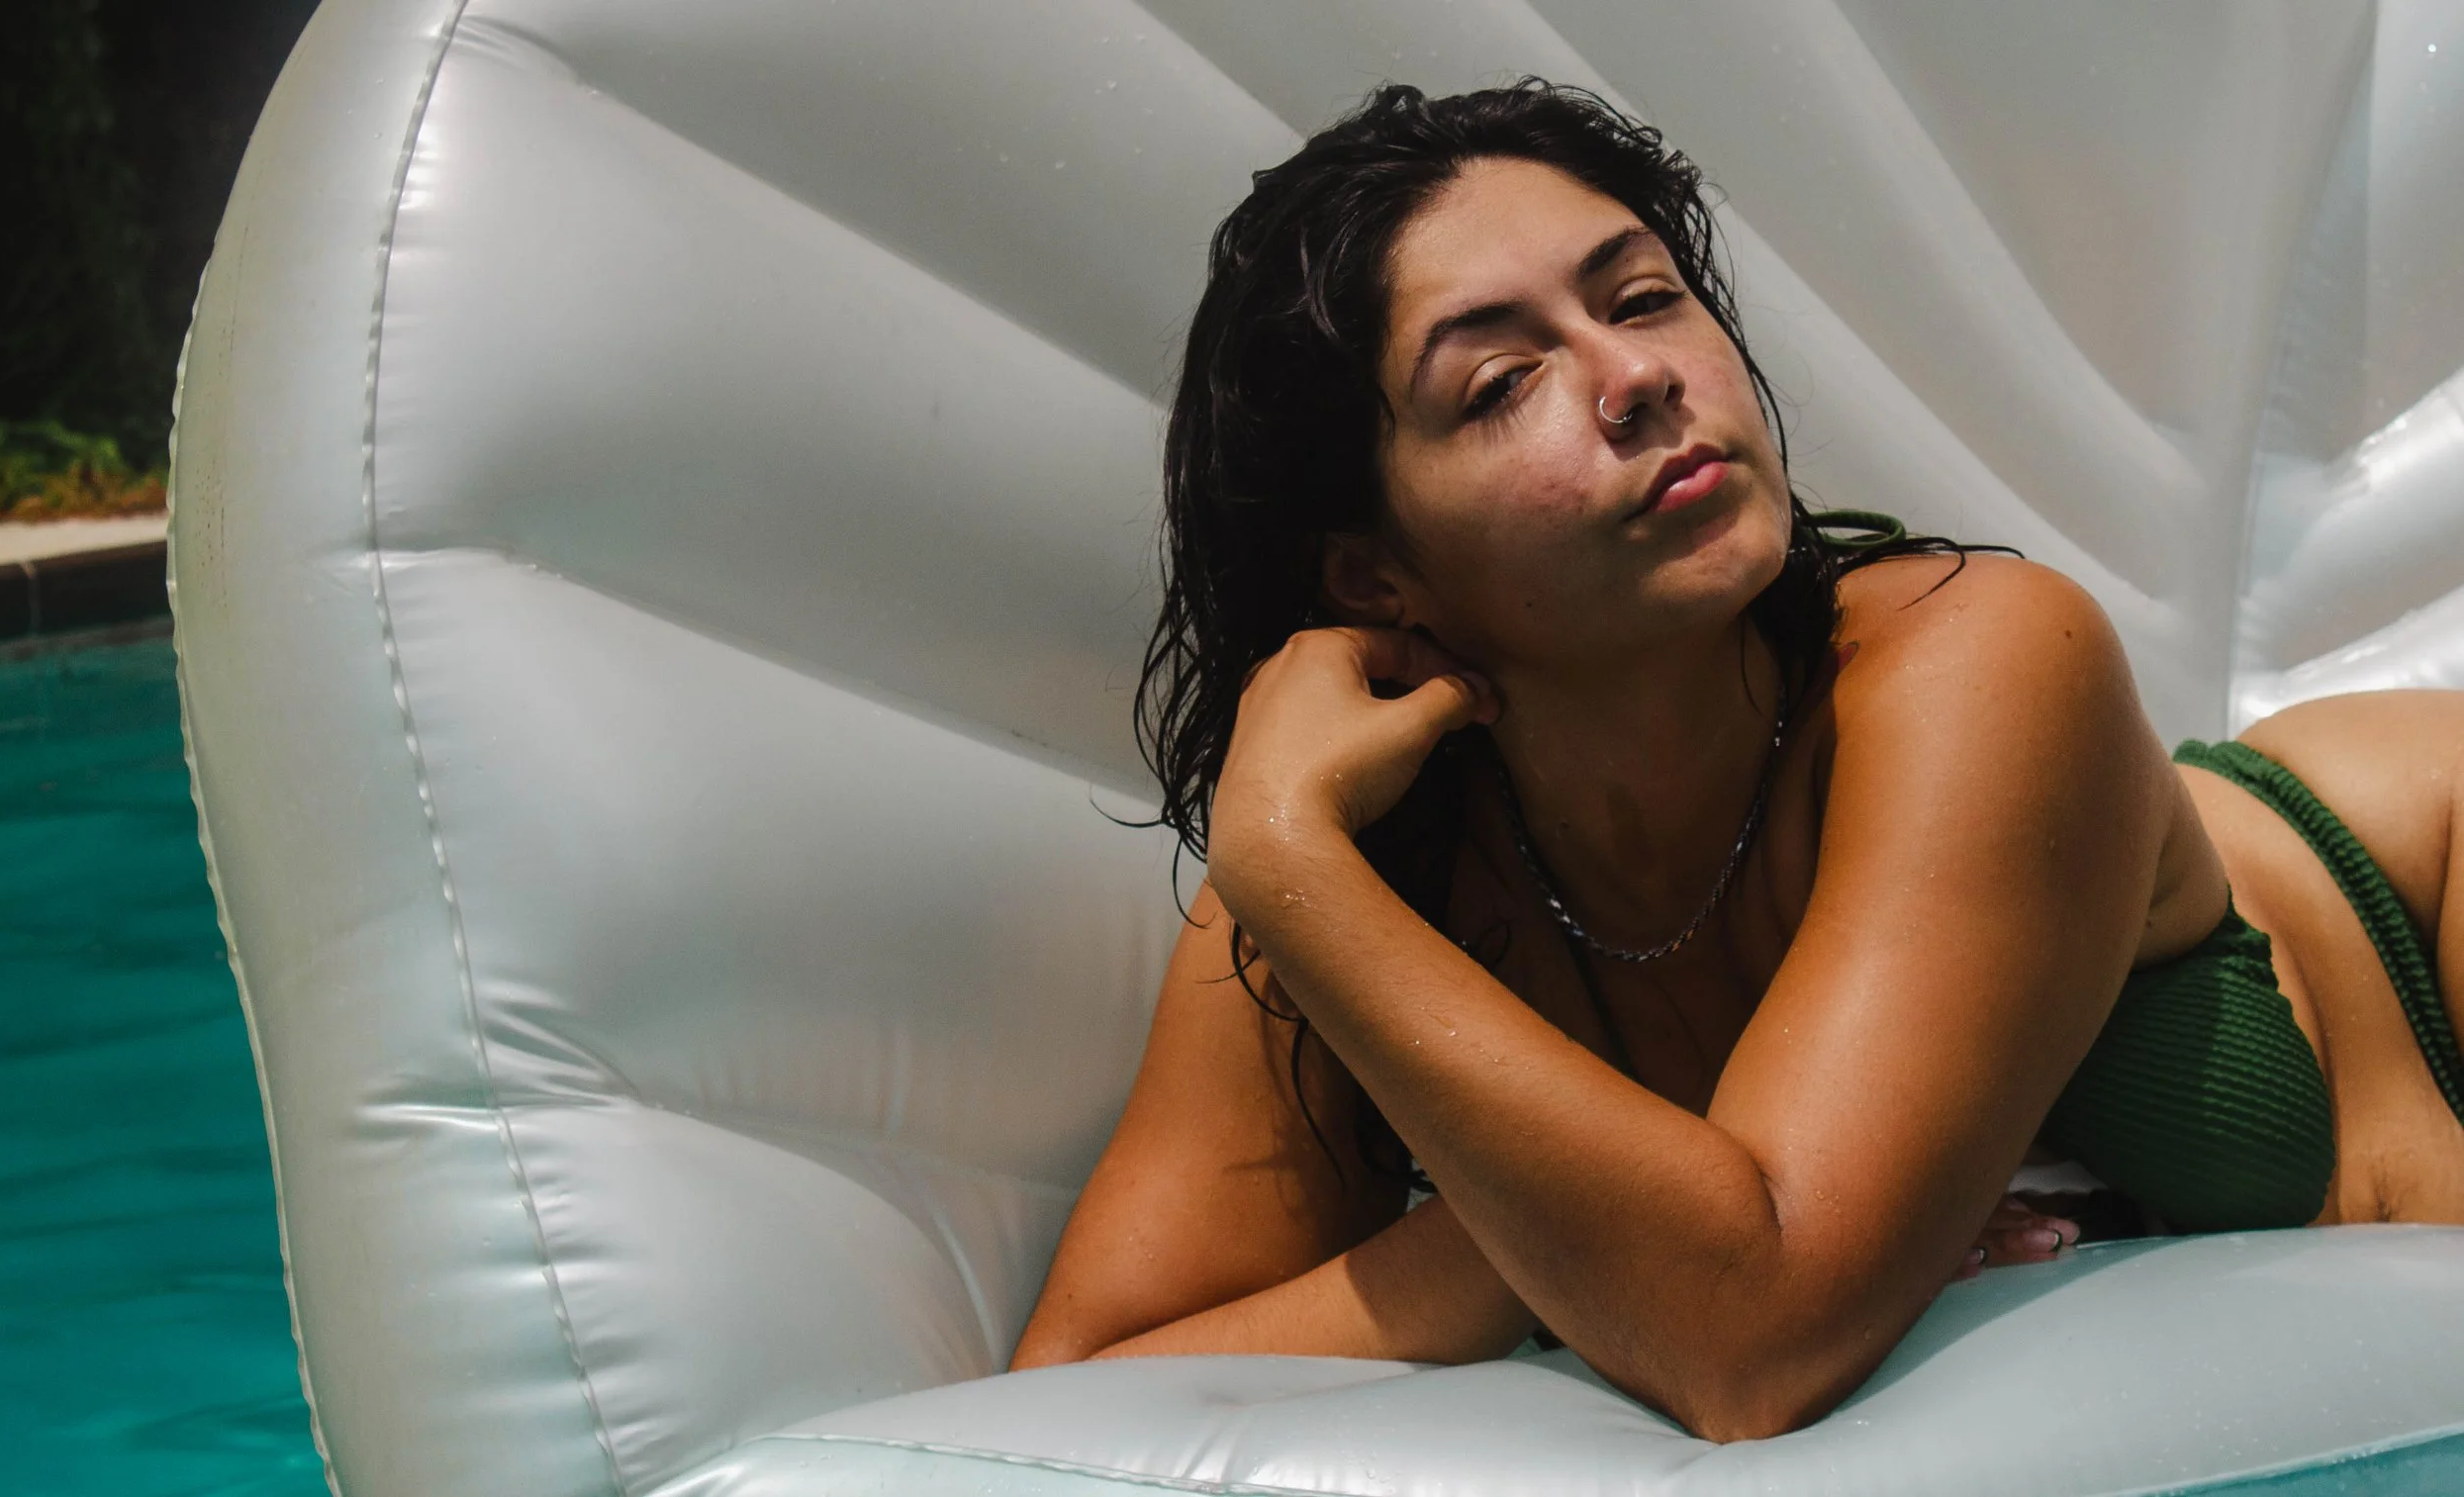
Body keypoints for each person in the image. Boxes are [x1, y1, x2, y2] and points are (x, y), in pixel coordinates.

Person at [1008, 80, 2464, 1441]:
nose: (1636, 375)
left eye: (1644, 297)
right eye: (1502, 380)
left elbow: (1743, 1338)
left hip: (2410, 890)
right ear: (1375, 577)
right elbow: (1067, 1403)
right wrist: (1538, 1239)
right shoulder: (1336, 867)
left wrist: (1644, 1221)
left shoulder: (1985, 658)